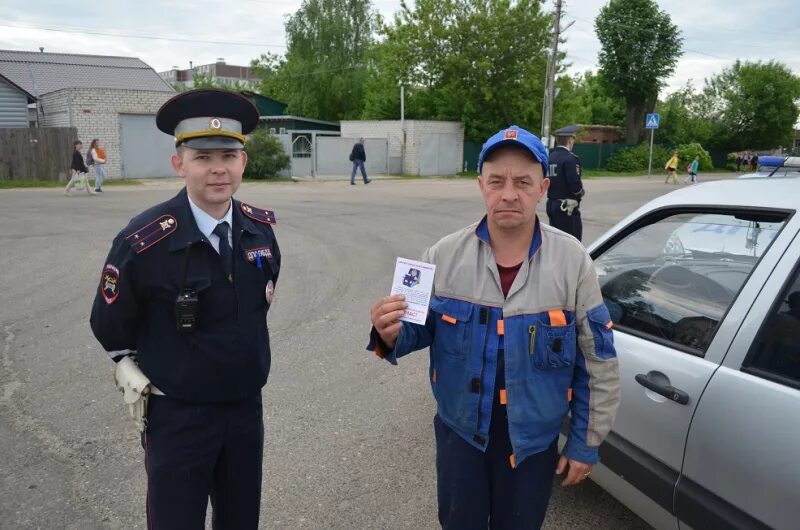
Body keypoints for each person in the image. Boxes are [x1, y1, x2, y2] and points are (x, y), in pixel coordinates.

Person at [368, 125, 620, 530]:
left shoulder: (572, 261)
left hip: (532, 447)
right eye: (496, 181)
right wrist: (389, 333)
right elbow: (416, 331)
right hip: (460, 440)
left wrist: (585, 444)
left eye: (523, 182)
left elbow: (597, 360)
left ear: (543, 188)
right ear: (480, 184)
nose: (508, 194)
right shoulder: (442, 255)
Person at [90, 89, 281, 529]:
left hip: (244, 412)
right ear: (180, 164)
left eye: (229, 155)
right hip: (178, 418)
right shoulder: (144, 241)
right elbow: (109, 322)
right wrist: (132, 366)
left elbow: (254, 308)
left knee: (240, 521)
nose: (218, 168)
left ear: (243, 162)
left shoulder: (259, 231)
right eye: (202, 156)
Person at [546, 125, 586, 241]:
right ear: (570, 140)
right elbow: (575, 184)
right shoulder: (570, 159)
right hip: (566, 206)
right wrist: (580, 193)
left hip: (552, 203)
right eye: (573, 139)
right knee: (573, 242)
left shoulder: (550, 157)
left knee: (556, 241)